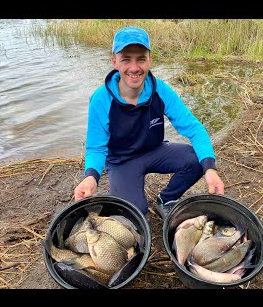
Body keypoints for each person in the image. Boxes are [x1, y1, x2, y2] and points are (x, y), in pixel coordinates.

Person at [73, 26, 224, 219]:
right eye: (126, 59)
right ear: (114, 62)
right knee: (134, 213)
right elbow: (96, 147)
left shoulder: (160, 90)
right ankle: (133, 198)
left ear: (150, 60)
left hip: (154, 151)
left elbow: (194, 128)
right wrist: (91, 177)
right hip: (122, 161)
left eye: (141, 59)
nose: (134, 68)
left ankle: (166, 199)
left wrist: (210, 168)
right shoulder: (101, 99)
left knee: (197, 160)